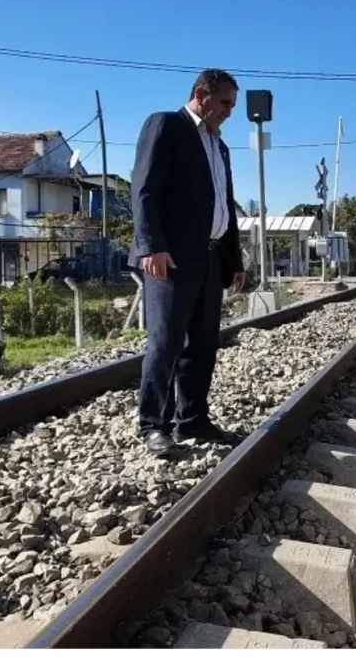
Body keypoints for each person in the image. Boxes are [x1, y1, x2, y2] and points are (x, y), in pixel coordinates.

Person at [129, 68, 247, 455]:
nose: (230, 111)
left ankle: (193, 419)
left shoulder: (220, 146)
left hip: (210, 259)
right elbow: (144, 190)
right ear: (201, 95)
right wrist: (151, 247)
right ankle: (154, 426)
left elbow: (224, 204)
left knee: (202, 344)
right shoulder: (167, 125)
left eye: (233, 104)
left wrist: (234, 259)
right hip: (170, 259)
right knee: (166, 343)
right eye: (225, 102)